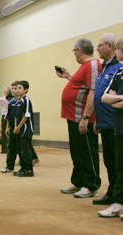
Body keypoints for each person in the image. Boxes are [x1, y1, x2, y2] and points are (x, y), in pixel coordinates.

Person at [56, 38, 102, 198]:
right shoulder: (84, 67)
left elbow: (93, 91)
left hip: (83, 118)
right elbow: (82, 87)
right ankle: (78, 181)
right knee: (77, 151)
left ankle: (92, 185)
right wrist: (69, 76)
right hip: (74, 116)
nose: (74, 53)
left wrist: (85, 117)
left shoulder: (93, 64)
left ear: (79, 50)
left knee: (87, 151)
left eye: (74, 50)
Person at [93, 33, 123, 205]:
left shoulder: (117, 68)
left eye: (100, 45)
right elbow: (103, 96)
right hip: (104, 123)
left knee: (117, 163)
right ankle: (112, 192)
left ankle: (116, 196)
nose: (97, 48)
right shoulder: (103, 67)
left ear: (111, 46)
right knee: (109, 161)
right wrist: (98, 119)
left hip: (115, 123)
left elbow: (115, 96)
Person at [13, 80, 34, 177]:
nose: (17, 90)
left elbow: (26, 115)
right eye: (16, 88)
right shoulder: (18, 101)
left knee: (26, 150)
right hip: (19, 129)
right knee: (19, 149)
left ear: (26, 90)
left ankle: (29, 170)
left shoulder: (26, 100)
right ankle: (23, 167)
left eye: (20, 88)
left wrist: (19, 127)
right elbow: (17, 116)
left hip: (26, 129)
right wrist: (15, 127)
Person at [1, 81, 19, 173]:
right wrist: (7, 127)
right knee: (11, 147)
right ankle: (9, 166)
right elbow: (9, 116)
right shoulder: (11, 101)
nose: (14, 90)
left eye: (16, 88)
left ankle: (24, 168)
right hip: (12, 127)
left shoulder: (23, 100)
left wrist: (17, 127)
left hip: (20, 128)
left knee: (21, 148)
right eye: (12, 89)